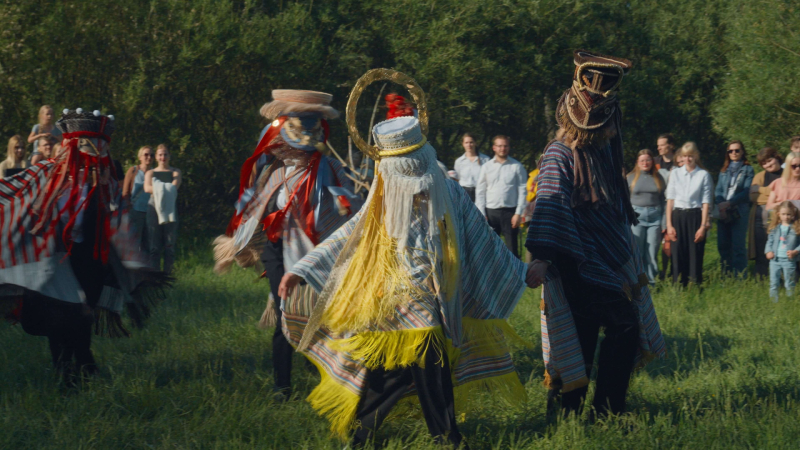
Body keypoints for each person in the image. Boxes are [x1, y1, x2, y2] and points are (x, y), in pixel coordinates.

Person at [279, 108, 536, 446]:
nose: (410, 170)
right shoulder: (383, 197)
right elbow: (350, 235)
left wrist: (521, 271)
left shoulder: (451, 192)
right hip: (394, 292)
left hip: (438, 291)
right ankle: (445, 436)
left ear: (423, 156)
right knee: (427, 358)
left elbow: (483, 237)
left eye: (414, 160)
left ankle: (366, 431)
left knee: (401, 368)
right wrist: (301, 269)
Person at [525, 50, 665, 419]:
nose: (613, 128)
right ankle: (605, 411)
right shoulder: (559, 154)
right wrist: (541, 256)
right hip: (574, 262)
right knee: (621, 326)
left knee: (585, 333)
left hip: (600, 260)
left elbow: (612, 210)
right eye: (608, 122)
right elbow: (550, 206)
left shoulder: (601, 152)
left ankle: (571, 413)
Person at [0, 109, 168, 386]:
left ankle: (82, 364)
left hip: (89, 258)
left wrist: (135, 265)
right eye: (90, 146)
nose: (97, 153)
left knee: (82, 312)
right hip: (55, 259)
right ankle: (69, 369)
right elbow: (16, 190)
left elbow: (117, 221)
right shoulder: (49, 173)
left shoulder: (104, 182)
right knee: (59, 314)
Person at [213, 90, 359, 399]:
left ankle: (332, 377)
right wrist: (239, 240)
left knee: (323, 316)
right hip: (277, 252)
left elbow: (350, 202)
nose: (296, 152)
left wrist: (345, 202)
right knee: (285, 312)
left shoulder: (329, 168)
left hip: (317, 254)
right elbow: (251, 207)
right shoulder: (273, 171)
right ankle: (282, 385)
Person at [666, 142, 714, 286]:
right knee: (678, 252)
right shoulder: (675, 173)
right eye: (685, 156)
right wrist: (669, 225)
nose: (687, 159)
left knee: (695, 252)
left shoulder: (703, 175)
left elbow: (706, 202)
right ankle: (678, 286)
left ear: (696, 156)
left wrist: (703, 226)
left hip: (695, 216)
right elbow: (670, 200)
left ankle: (695, 286)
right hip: (678, 215)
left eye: (690, 156)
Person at [476, 135, 528, 257]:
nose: (502, 148)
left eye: (505, 146)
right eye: (499, 146)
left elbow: (522, 190)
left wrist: (518, 213)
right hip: (491, 212)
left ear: (509, 147)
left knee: (512, 249)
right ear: (494, 147)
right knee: (490, 248)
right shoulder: (486, 167)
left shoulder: (517, 166)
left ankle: (514, 275)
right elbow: (480, 191)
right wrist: (482, 213)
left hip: (510, 213)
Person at [715, 140, 754, 276]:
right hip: (723, 211)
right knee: (723, 245)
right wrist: (721, 204)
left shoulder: (748, 169)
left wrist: (729, 203)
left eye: (737, 150)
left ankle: (740, 277)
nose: (734, 153)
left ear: (742, 152)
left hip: (739, 210)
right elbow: (718, 190)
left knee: (738, 246)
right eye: (730, 151)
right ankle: (726, 275)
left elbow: (746, 191)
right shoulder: (724, 170)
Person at [627, 149, 666, 284]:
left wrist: (664, 222)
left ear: (652, 161)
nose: (645, 163)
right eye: (642, 160)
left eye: (648, 160)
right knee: (638, 251)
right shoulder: (630, 177)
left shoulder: (659, 177)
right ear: (637, 162)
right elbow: (625, 200)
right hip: (637, 217)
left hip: (655, 217)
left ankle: (651, 281)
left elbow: (663, 199)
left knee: (652, 251)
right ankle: (638, 281)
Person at [143, 144, 181, 274]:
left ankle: (167, 275)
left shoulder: (175, 172)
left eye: (165, 154)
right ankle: (155, 276)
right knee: (154, 246)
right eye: (160, 154)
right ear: (156, 157)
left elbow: (174, 187)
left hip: (170, 208)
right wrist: (164, 189)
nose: (163, 157)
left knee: (169, 246)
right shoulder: (150, 172)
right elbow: (147, 188)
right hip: (153, 207)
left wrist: (158, 189)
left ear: (169, 156)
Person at [749, 148, 784, 278]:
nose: (767, 165)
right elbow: (753, 197)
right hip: (760, 221)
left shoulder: (788, 174)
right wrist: (775, 194)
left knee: (782, 250)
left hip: (783, 220)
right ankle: (761, 281)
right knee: (761, 251)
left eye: (769, 160)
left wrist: (762, 190)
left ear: (777, 157)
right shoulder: (759, 176)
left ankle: (783, 281)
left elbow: (789, 196)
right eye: (764, 163)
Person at [765, 201, 800, 302]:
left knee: (789, 283)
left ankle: (789, 303)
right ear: (778, 214)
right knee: (773, 283)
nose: (786, 217)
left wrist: (795, 252)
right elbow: (769, 241)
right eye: (783, 214)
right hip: (775, 260)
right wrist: (768, 251)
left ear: (793, 214)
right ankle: (773, 303)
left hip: (789, 260)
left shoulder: (796, 228)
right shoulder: (775, 228)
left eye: (788, 214)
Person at [123, 146, 153, 252]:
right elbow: (125, 192)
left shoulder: (155, 173)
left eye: (151, 155)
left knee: (149, 244)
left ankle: (148, 268)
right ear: (140, 157)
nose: (149, 157)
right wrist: (128, 208)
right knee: (134, 242)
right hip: (136, 211)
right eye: (146, 154)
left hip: (151, 212)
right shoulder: (133, 171)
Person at [453, 133, 490, 201]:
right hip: (464, 192)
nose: (469, 145)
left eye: (471, 142)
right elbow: (457, 179)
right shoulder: (459, 161)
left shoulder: (485, 160)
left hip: (480, 192)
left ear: (475, 143)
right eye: (466, 142)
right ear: (463, 144)